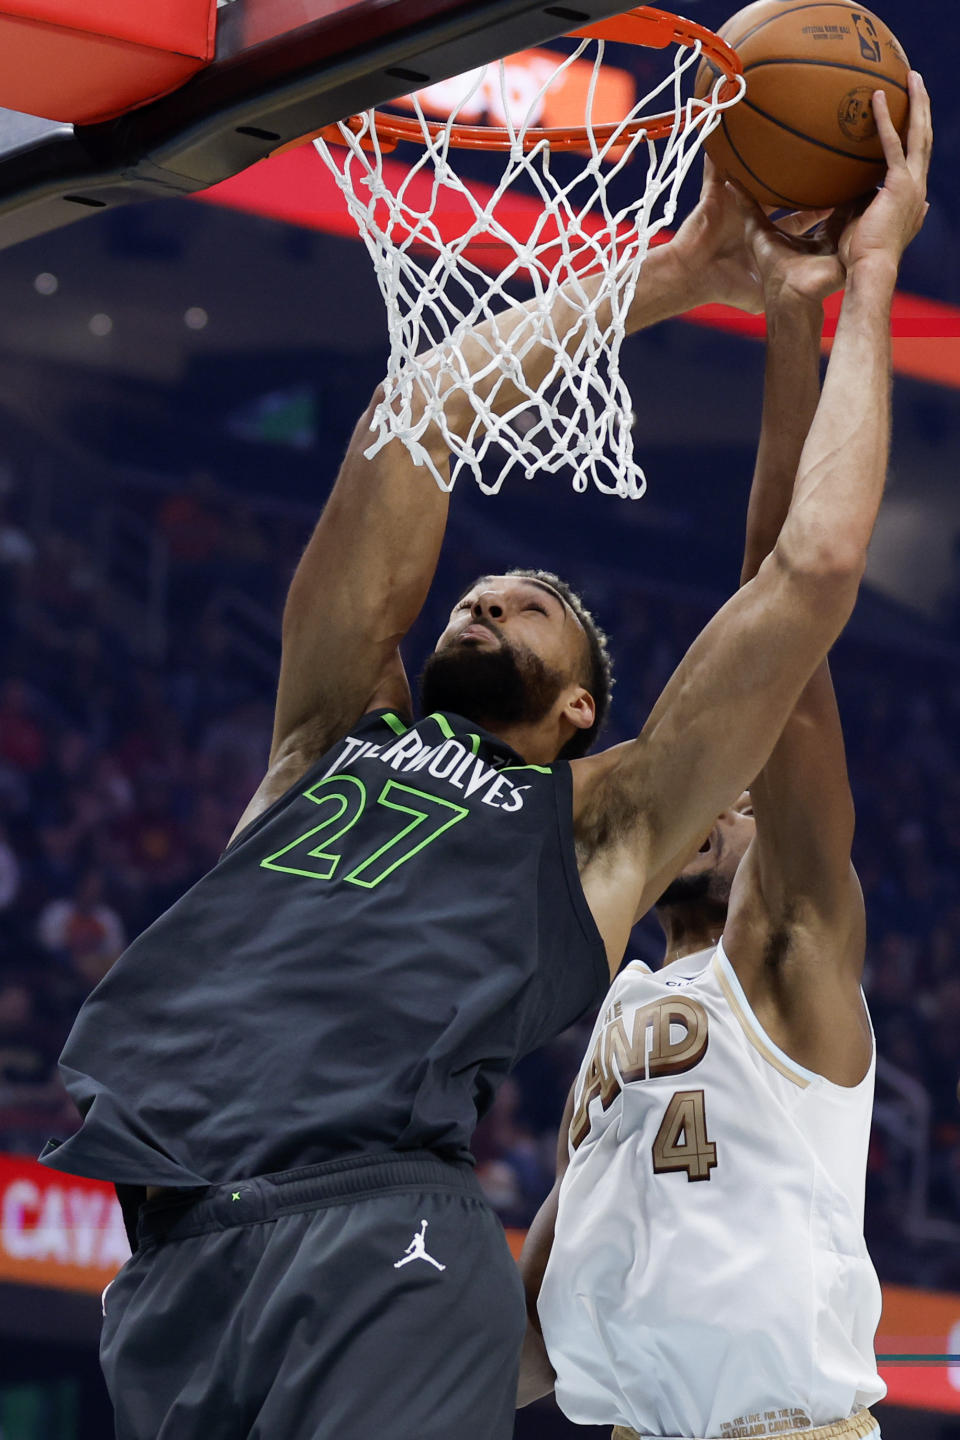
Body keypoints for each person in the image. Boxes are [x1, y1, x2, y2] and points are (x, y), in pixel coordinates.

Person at [40, 77, 929, 1440]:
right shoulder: (328, 737)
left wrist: (861, 285)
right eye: (477, 588)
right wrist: (683, 269)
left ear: (581, 707)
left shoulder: (600, 826)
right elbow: (416, 410)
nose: (484, 592)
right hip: (173, 1253)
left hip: (376, 1242)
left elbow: (806, 574)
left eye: (532, 603)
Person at [518, 84, 932, 1440]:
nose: (724, 800)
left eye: (748, 796)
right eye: (714, 786)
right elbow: (539, 1306)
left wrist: (807, 314)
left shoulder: (793, 956)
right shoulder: (627, 1002)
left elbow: (784, 612)